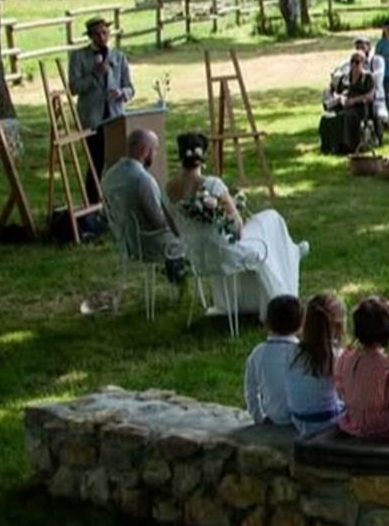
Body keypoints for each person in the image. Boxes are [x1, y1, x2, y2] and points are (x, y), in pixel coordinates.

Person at [165, 131, 307, 315]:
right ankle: (292, 254)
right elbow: (238, 227)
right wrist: (235, 211)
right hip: (225, 253)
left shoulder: (169, 188)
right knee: (270, 219)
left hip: (196, 255)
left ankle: (293, 251)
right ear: (203, 156)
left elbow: (172, 226)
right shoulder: (211, 184)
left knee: (264, 223)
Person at [100, 127, 185, 280]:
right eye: (155, 150)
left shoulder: (109, 176)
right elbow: (159, 222)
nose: (156, 154)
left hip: (125, 241)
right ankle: (180, 283)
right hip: (148, 244)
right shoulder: (142, 180)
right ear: (145, 150)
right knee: (187, 235)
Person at [67, 16, 134, 198]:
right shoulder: (79, 57)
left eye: (104, 33)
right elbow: (73, 88)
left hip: (115, 117)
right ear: (90, 36)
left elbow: (130, 88)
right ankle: (93, 202)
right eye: (97, 34)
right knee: (95, 161)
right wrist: (95, 75)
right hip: (92, 119)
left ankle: (116, 199)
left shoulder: (119, 57)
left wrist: (122, 93)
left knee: (118, 161)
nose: (102, 37)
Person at [336, 295, 389, 440]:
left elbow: (339, 387)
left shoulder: (345, 357)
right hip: (381, 425)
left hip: (352, 420)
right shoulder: (388, 364)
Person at [285, 292, 346, 436]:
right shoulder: (337, 356)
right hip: (328, 421)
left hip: (298, 419)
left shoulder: (292, 351)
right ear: (338, 325)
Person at [244, 294, 304, 426]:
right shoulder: (304, 353)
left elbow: (251, 391)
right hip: (302, 420)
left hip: (274, 418)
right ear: (301, 324)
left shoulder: (258, 353)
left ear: (267, 323)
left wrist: (258, 418)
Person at [318, 49, 378, 155]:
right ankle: (329, 146)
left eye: (357, 62)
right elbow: (337, 91)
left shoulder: (368, 77)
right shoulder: (346, 77)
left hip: (360, 108)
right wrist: (339, 98)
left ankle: (347, 146)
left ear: (363, 64)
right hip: (344, 105)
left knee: (344, 117)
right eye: (352, 61)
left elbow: (370, 96)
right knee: (327, 117)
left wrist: (354, 100)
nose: (354, 65)